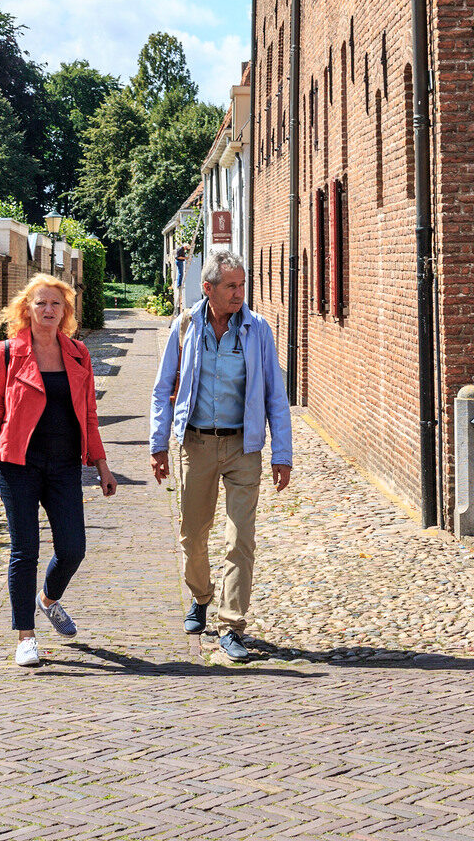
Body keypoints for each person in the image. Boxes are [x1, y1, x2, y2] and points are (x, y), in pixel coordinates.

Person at [0, 274, 117, 667]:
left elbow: (89, 414)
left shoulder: (78, 353)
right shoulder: (6, 353)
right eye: (41, 303)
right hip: (17, 464)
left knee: (73, 548)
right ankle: (25, 636)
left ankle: (48, 599)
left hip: (63, 466)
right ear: (26, 308)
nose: (48, 310)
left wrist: (102, 464)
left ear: (66, 312)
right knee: (25, 550)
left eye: (56, 304)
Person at [150, 250, 292, 662]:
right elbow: (162, 390)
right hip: (196, 444)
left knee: (240, 540)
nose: (239, 293)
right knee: (192, 535)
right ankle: (201, 595)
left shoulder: (257, 329)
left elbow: (275, 396)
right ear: (207, 289)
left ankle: (231, 626)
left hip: (243, 447)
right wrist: (158, 445)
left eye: (242, 284)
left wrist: (281, 453)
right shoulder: (185, 327)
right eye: (231, 285)